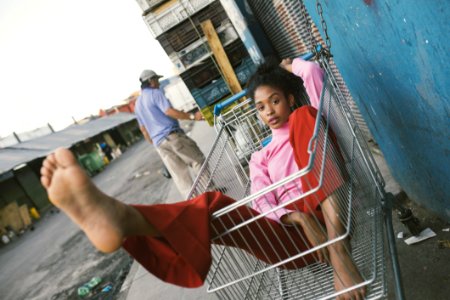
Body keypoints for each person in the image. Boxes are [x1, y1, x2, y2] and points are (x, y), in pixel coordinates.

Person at [40, 60, 365, 300]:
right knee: (213, 204)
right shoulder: (259, 158)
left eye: (275, 100)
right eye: (261, 107)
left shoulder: (302, 117)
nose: (269, 112)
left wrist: (290, 65)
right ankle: (127, 219)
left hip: (331, 219)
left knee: (306, 120)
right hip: (293, 238)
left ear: (290, 98)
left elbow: (313, 74)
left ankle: (339, 251)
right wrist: (295, 217)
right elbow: (263, 200)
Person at [135, 69, 205, 197]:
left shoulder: (138, 104)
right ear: (151, 81)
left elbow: (144, 130)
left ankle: (196, 205)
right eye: (157, 80)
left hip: (159, 144)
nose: (159, 83)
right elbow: (168, 111)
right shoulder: (155, 93)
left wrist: (155, 143)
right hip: (172, 136)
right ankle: (211, 194)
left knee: (180, 177)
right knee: (197, 161)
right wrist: (192, 116)